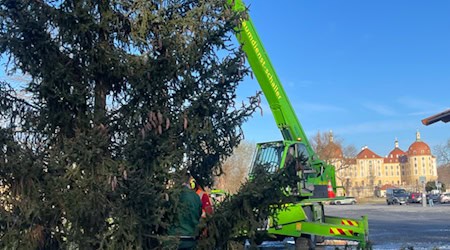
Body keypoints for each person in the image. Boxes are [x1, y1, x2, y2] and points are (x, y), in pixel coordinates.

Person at [168, 174, 202, 249]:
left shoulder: (171, 195)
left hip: (172, 237)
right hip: (190, 238)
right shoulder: (196, 197)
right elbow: (199, 215)